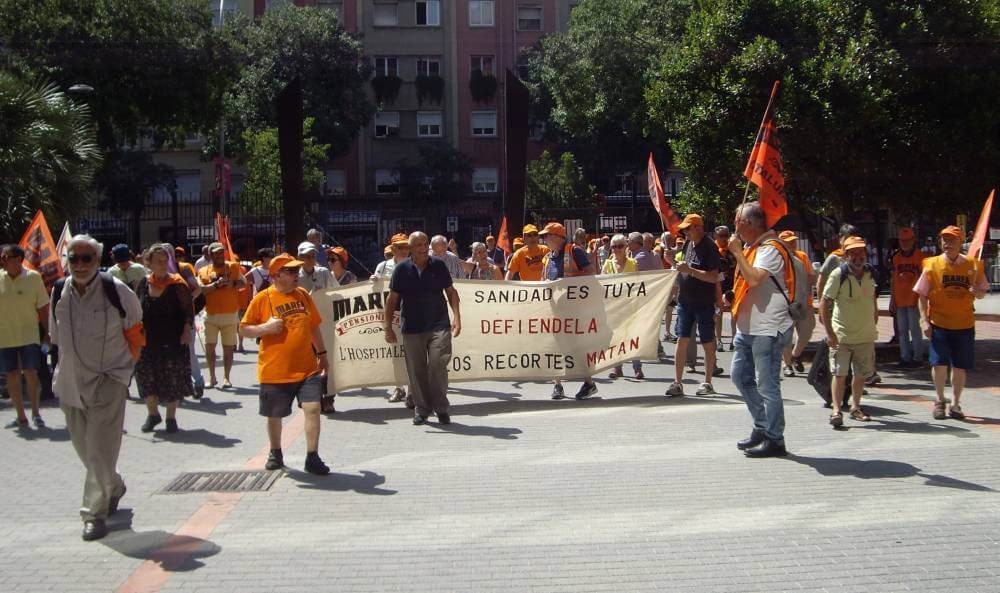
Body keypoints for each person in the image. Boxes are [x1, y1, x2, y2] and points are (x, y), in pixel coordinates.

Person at [50, 235, 143, 541]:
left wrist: (121, 372)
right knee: (85, 450)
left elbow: (136, 335)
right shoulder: (58, 292)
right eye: (73, 258)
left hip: (108, 381)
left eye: (86, 258)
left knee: (100, 452)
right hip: (70, 384)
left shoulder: (116, 292)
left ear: (97, 260)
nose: (79, 264)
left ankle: (94, 512)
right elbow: (55, 338)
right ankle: (113, 486)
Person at [240, 253, 330, 475]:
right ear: (276, 275)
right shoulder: (262, 299)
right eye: (290, 271)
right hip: (275, 370)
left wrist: (323, 352)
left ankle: (312, 456)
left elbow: (313, 326)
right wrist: (264, 329)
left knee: (313, 408)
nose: (296, 274)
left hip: (307, 368)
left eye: (296, 270)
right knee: (275, 415)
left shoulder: (302, 296)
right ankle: (275, 451)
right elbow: (243, 329)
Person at [728, 203, 794, 458]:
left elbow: (755, 278)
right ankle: (762, 426)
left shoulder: (770, 249)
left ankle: (775, 439)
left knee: (767, 385)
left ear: (750, 224)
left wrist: (737, 253)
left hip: (767, 327)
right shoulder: (752, 248)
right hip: (748, 326)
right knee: (740, 377)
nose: (735, 227)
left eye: (737, 221)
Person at [384, 232, 462, 425]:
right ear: (411, 248)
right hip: (412, 327)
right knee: (416, 371)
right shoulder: (401, 269)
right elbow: (391, 300)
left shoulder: (438, 265)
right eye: (417, 244)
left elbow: (451, 292)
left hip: (439, 324)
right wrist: (387, 327)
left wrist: (457, 318)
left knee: (437, 364)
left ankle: (441, 408)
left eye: (424, 243)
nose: (422, 247)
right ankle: (422, 410)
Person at [914, 225, 989, 420]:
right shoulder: (932, 265)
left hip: (964, 324)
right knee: (938, 364)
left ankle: (955, 404)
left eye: (952, 240)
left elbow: (982, 291)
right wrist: (924, 321)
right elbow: (921, 294)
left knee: (959, 366)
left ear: (960, 242)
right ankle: (939, 401)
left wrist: (977, 292)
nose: (947, 243)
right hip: (939, 322)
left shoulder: (973, 265)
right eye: (944, 240)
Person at [819, 236, 878, 428]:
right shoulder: (838, 274)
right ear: (846, 255)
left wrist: (874, 320)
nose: (858, 257)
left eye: (861, 252)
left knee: (861, 374)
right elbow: (824, 302)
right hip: (841, 335)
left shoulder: (870, 273)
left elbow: (873, 299)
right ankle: (836, 411)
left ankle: (856, 407)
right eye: (853, 253)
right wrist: (829, 333)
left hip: (865, 335)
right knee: (839, 373)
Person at [135, 244, 194, 433]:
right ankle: (153, 414)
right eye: (158, 261)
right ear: (149, 263)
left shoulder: (177, 283)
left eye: (165, 260)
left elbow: (188, 311)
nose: (162, 264)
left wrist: (187, 330)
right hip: (147, 340)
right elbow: (136, 309)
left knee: (172, 378)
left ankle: (171, 417)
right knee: (146, 377)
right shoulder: (144, 283)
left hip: (172, 339)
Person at [540, 222, 598, 400]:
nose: (544, 239)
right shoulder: (548, 257)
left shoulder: (574, 251)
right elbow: (544, 279)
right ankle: (557, 385)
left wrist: (568, 285)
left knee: (577, 347)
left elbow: (590, 272)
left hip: (575, 309)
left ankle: (589, 383)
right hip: (555, 310)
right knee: (556, 347)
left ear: (558, 236)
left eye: (547, 235)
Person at [665, 214, 721, 397]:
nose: (685, 232)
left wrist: (690, 270)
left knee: (707, 342)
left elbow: (713, 276)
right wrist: (672, 262)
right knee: (682, 340)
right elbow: (685, 271)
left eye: (688, 229)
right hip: (685, 302)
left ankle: (707, 382)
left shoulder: (710, 247)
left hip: (704, 303)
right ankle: (677, 382)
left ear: (698, 227)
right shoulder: (690, 245)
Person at [0, 244, 50, 428]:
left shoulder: (34, 278)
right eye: (2, 258)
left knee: (31, 374)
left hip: (29, 336)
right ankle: (21, 417)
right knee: (11, 376)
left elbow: (43, 308)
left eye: (6, 257)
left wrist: (47, 334)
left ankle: (36, 413)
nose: (2, 260)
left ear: (18, 260)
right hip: (5, 337)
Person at [197, 242, 246, 389]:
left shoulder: (232, 267)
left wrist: (233, 283)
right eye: (216, 253)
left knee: (228, 348)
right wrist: (216, 285)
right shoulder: (203, 270)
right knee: (210, 347)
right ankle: (212, 378)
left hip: (230, 315)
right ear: (210, 255)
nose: (219, 255)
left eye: (221, 253)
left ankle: (226, 378)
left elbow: (243, 283)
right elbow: (202, 289)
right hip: (210, 316)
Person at [372, 234, 411, 403]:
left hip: (410, 312)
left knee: (411, 352)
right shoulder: (383, 266)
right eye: (401, 247)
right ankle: (399, 387)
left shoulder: (413, 263)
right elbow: (375, 287)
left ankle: (412, 390)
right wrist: (374, 280)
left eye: (406, 246)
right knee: (395, 352)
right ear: (393, 248)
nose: (405, 250)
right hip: (391, 314)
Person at [603, 234, 644, 379]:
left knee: (633, 337)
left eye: (620, 246)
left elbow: (639, 284)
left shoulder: (633, 263)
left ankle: (637, 367)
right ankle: (617, 367)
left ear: (626, 247)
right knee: (616, 338)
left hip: (631, 307)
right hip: (614, 309)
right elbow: (602, 286)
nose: (616, 249)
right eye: (614, 246)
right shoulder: (607, 265)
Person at [778, 231, 817, 377]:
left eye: (793, 241)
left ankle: (795, 355)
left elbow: (810, 277)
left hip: (803, 303)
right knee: (786, 336)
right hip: (785, 305)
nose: (792, 244)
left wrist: (814, 276)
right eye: (788, 242)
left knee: (807, 331)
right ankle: (787, 364)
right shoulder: (777, 259)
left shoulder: (802, 256)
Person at [891, 228, 925, 368]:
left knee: (914, 329)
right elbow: (893, 279)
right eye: (902, 241)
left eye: (907, 240)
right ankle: (905, 357)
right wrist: (893, 299)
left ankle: (917, 358)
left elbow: (924, 279)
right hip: (900, 299)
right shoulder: (896, 258)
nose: (904, 243)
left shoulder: (920, 257)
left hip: (914, 299)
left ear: (913, 241)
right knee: (902, 330)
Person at [176, 246, 205, 399]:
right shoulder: (155, 274)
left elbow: (198, 288)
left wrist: (187, 301)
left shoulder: (184, 269)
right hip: (167, 320)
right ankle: (179, 385)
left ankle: (198, 381)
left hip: (186, 318)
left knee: (188, 351)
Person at [714, 226, 738, 351]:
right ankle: (718, 340)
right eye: (721, 236)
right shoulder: (713, 251)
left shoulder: (733, 250)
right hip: (718, 286)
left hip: (732, 286)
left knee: (734, 313)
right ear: (716, 237)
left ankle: (734, 339)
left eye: (726, 235)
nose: (724, 238)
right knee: (719, 313)